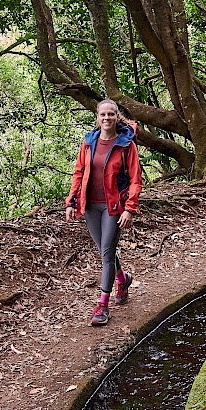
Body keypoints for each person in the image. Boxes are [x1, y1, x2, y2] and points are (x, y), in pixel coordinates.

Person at [65, 99, 142, 326]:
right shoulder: (89, 142)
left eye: (110, 114)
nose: (106, 118)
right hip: (90, 205)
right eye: (103, 115)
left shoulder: (126, 145)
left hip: (113, 207)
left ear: (116, 117)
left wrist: (130, 208)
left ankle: (102, 305)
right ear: (97, 118)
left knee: (107, 251)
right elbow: (79, 172)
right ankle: (123, 279)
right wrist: (71, 201)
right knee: (104, 251)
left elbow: (136, 179)